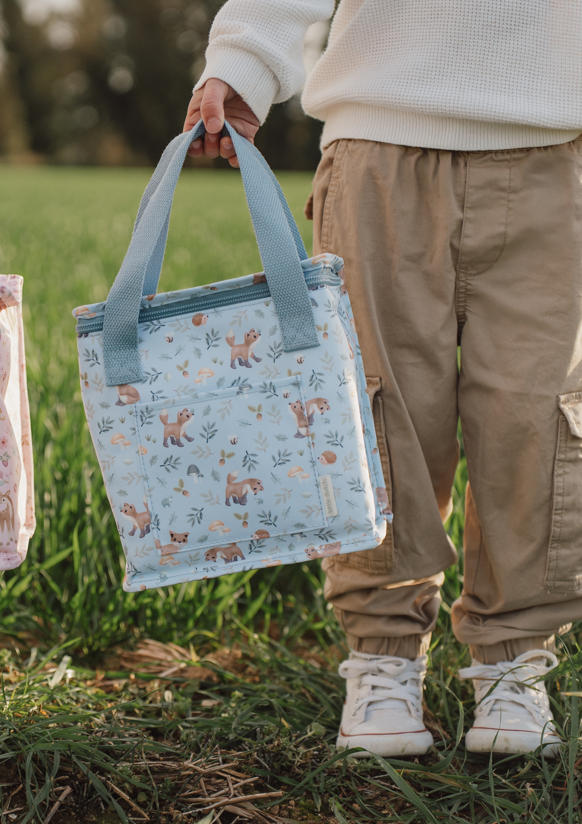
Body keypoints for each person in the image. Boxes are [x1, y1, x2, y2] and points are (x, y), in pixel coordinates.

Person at [185, 1, 582, 757]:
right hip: (379, 143)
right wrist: (244, 59)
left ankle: (511, 662)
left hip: (554, 147)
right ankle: (382, 657)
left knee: (538, 418)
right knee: (380, 412)